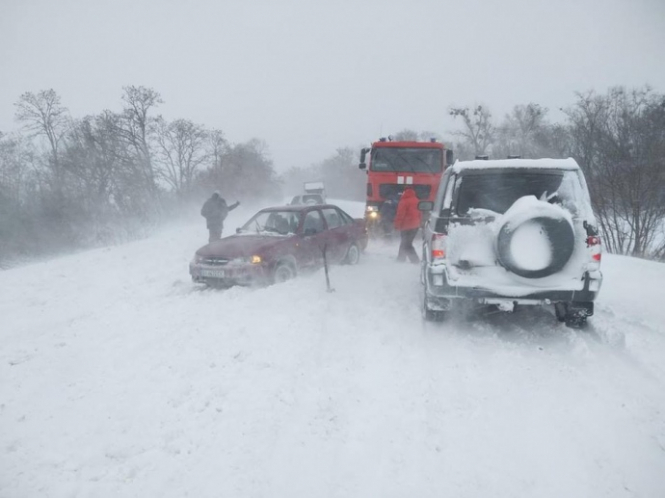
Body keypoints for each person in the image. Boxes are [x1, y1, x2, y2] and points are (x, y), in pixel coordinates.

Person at [393, 188, 421, 263]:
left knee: (407, 244)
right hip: (415, 226)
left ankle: (415, 260)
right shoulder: (417, 201)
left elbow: (400, 215)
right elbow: (420, 214)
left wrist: (397, 225)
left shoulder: (404, 201)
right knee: (404, 242)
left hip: (406, 226)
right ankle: (401, 258)